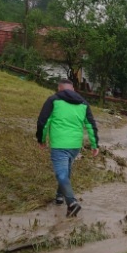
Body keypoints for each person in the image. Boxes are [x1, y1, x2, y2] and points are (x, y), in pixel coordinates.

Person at [36, 79, 99, 217]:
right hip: (75, 146)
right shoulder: (83, 103)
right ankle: (60, 197)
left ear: (59, 88)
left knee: (62, 174)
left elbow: (43, 122)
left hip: (59, 145)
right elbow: (91, 125)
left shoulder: (53, 100)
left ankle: (71, 203)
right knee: (66, 170)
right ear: (73, 89)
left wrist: (41, 139)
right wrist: (95, 145)